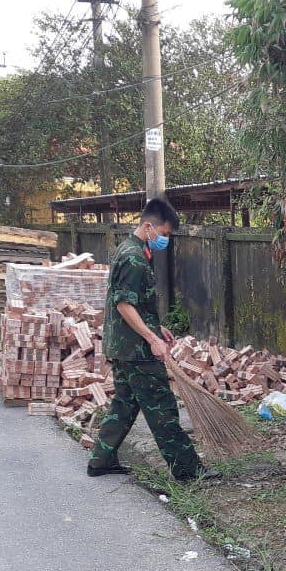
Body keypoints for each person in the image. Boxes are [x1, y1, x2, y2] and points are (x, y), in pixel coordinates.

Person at [87, 198, 217, 483]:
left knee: (125, 403)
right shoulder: (133, 258)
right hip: (136, 350)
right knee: (162, 407)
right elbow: (124, 304)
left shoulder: (133, 250)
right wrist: (151, 339)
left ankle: (101, 459)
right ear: (148, 226)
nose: (166, 240)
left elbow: (137, 303)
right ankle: (187, 471)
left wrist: (158, 329)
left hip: (124, 346)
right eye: (166, 233)